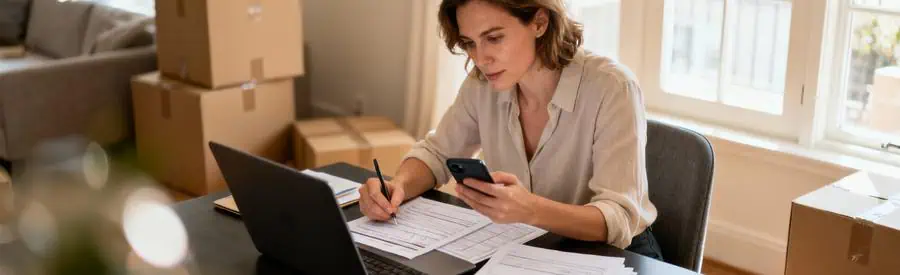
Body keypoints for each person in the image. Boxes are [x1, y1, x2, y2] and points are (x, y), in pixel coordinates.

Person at [358, 0, 662, 259]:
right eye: (470, 43)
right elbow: (436, 153)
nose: (480, 58)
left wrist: (530, 209)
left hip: (615, 254)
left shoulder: (612, 87)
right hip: (529, 245)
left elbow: (618, 217)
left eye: (494, 38)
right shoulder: (482, 84)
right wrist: (396, 188)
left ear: (539, 23)